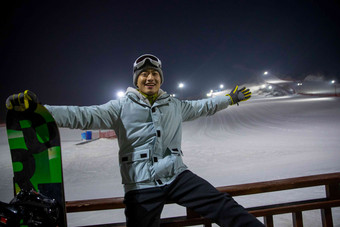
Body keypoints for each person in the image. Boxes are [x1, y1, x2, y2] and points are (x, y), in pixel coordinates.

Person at [6, 54, 264, 227]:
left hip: (177, 175)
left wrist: (230, 98)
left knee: (224, 206)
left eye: (154, 73)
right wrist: (38, 109)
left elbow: (204, 105)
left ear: (161, 78)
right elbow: (82, 115)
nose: (149, 77)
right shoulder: (119, 107)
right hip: (140, 185)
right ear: (136, 79)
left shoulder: (174, 105)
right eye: (144, 74)